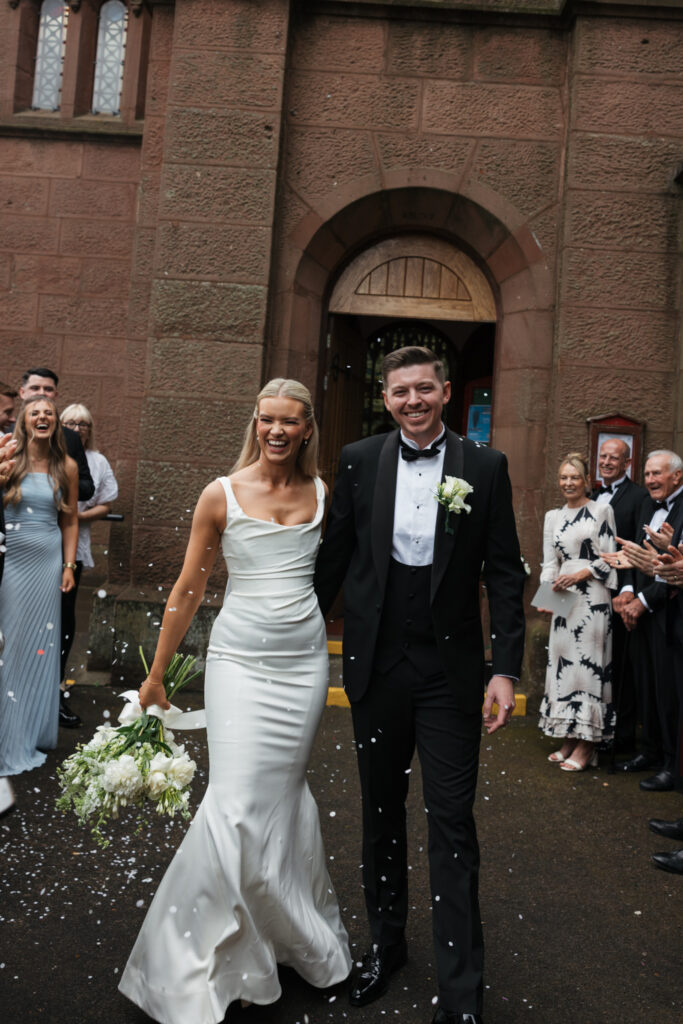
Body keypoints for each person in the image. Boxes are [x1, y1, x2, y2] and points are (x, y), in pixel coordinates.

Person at [119, 379, 351, 1023]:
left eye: (290, 423)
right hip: (239, 664)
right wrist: (158, 673)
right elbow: (188, 590)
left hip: (304, 663)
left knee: (281, 800)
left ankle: (281, 938)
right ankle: (184, 961)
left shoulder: (325, 494)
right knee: (236, 802)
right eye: (267, 420)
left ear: (307, 428)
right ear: (256, 422)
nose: (277, 432)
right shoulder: (220, 494)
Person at [314, 346, 526, 1024]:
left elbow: (502, 573)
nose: (412, 400)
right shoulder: (357, 460)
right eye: (400, 391)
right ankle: (386, 946)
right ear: (386, 396)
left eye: (424, 389)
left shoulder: (485, 468)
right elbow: (334, 557)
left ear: (444, 392)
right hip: (375, 668)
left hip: (450, 673)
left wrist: (504, 667)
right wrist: (286, 635)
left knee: (451, 823)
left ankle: (462, 991)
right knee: (379, 816)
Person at [0, 398, 78, 775]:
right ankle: (6, 727)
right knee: (10, 643)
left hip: (47, 562)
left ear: (56, 423)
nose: (42, 417)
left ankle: (30, 729)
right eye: (35, 412)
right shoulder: (9, 461)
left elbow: (71, 520)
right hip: (10, 560)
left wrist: (68, 566)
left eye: (49, 413)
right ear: (25, 422)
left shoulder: (67, 467)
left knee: (39, 646)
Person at [19, 368, 94, 726]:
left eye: (49, 394)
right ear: (22, 396)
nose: (43, 402)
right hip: (12, 554)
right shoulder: (6, 447)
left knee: (54, 628)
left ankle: (51, 696)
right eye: (36, 393)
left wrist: (68, 565)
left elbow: (79, 502)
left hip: (51, 552)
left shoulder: (68, 447)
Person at [538, 453, 617, 771]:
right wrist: (546, 596)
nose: (568, 483)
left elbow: (610, 556)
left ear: (586, 481)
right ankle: (568, 736)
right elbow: (549, 562)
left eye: (574, 477)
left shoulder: (601, 510)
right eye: (563, 477)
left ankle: (587, 746)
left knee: (588, 669)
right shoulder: (552, 517)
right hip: (562, 595)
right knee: (562, 669)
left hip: (593, 596)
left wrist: (580, 575)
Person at [612, 451, 683, 791]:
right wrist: (627, 592)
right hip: (637, 608)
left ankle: (672, 763)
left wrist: (642, 601)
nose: (651, 479)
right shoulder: (646, 504)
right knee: (645, 685)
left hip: (667, 612)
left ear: (677, 478)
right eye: (648, 474)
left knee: (668, 691)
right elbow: (633, 555)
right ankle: (650, 752)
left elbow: (672, 564)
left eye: (657, 474)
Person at [58, 403, 119, 721]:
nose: (77, 428)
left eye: (83, 424)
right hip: (37, 545)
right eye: (70, 422)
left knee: (64, 614)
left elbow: (106, 502)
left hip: (73, 548)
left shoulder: (97, 462)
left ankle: (57, 685)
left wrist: (78, 516)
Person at [592, 438, 647, 754]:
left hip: (617, 595)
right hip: (587, 594)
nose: (607, 461)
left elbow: (636, 545)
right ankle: (586, 730)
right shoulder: (591, 496)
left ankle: (620, 737)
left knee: (620, 666)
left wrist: (627, 590)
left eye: (615, 457)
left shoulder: (639, 497)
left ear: (627, 463)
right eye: (603, 456)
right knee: (590, 662)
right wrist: (553, 600)